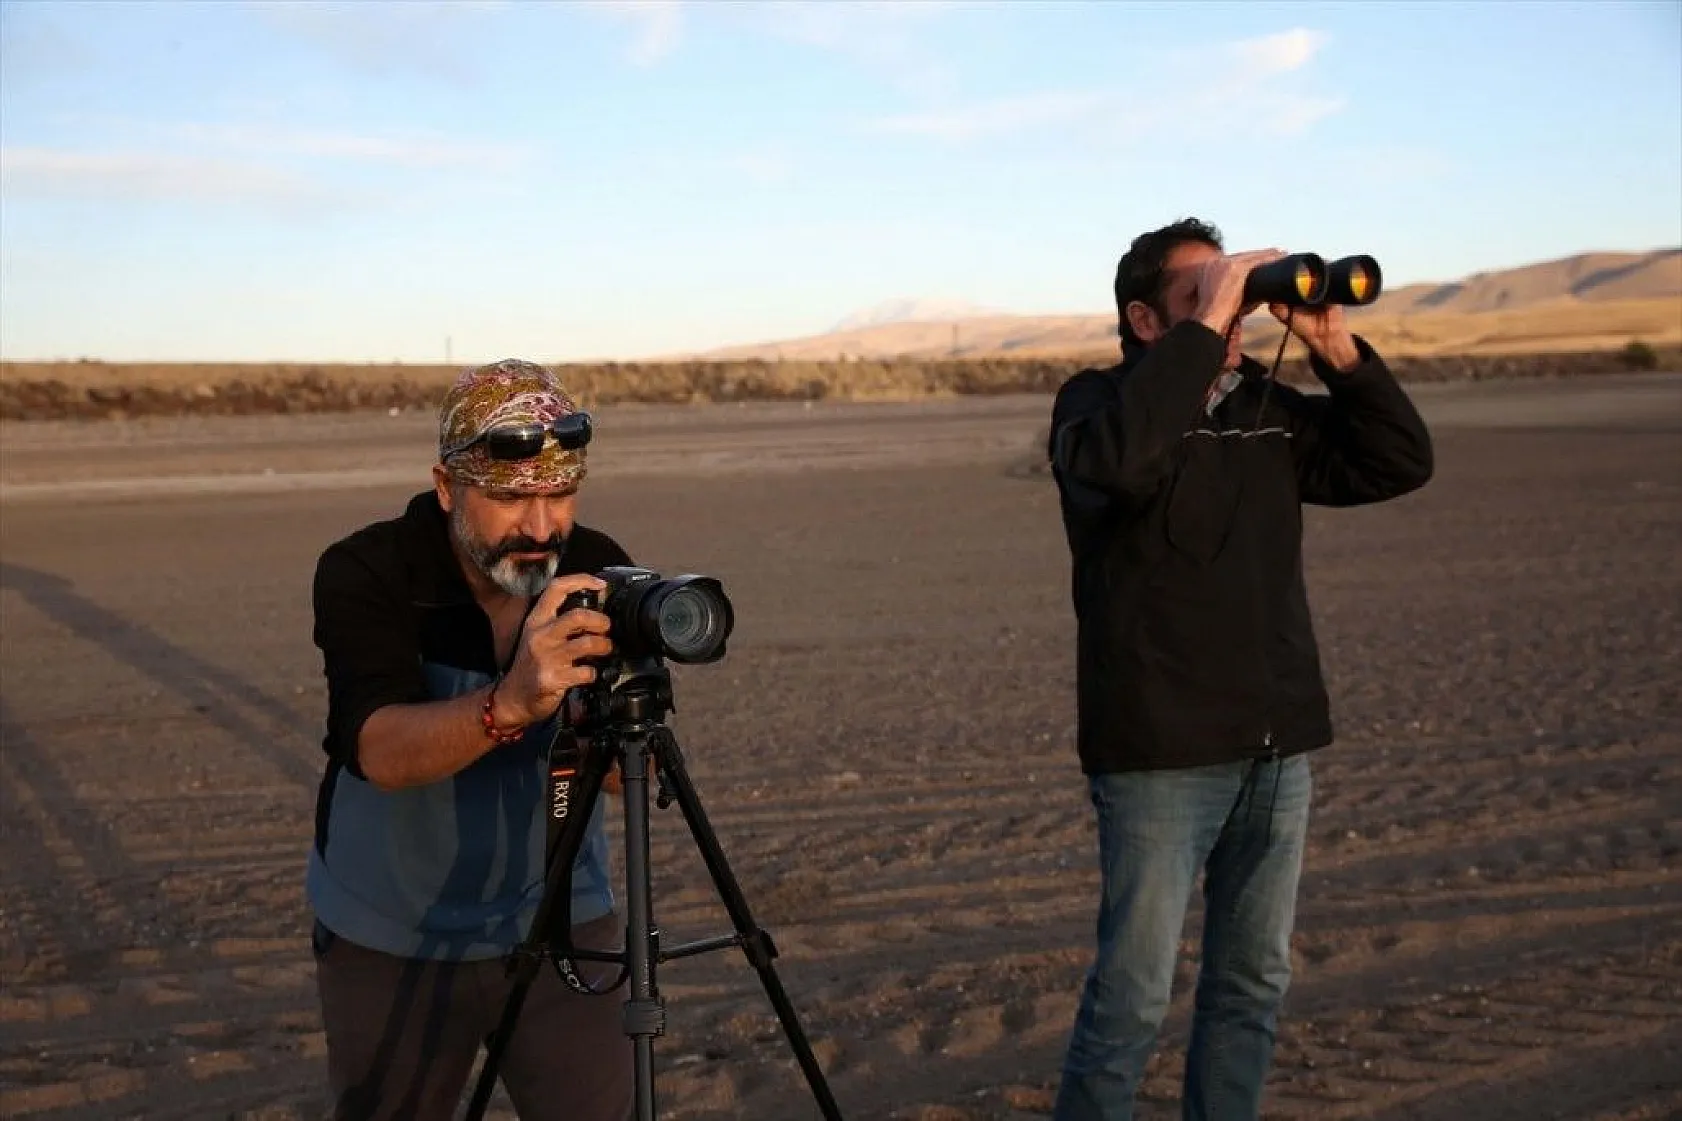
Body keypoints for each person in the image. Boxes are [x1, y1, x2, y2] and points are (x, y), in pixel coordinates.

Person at [1045, 218, 1434, 1121]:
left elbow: (1398, 460)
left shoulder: (1266, 411)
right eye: (1202, 294)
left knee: (1252, 985)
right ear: (1145, 320)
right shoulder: (1094, 408)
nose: (1232, 315)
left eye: (1236, 297)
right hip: (1159, 755)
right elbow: (1121, 468)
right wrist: (1201, 333)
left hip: (1274, 746)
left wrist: (1337, 349)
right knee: (1133, 1000)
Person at [305, 358, 634, 1121]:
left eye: (561, 494)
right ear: (448, 487)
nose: (543, 527)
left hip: (561, 916)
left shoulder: (594, 566)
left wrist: (611, 724)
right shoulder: (369, 571)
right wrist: (513, 702)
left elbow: (623, 780)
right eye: (512, 498)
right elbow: (379, 750)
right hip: (391, 929)